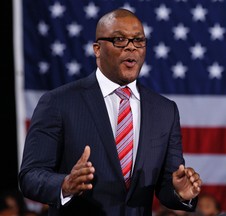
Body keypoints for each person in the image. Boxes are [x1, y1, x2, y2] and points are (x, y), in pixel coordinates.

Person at [18, 8, 202, 216]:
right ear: (97, 49)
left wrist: (180, 193)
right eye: (120, 40)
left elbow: (167, 184)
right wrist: (65, 184)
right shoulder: (58, 102)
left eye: (138, 40)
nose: (131, 47)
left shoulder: (165, 110)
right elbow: (30, 176)